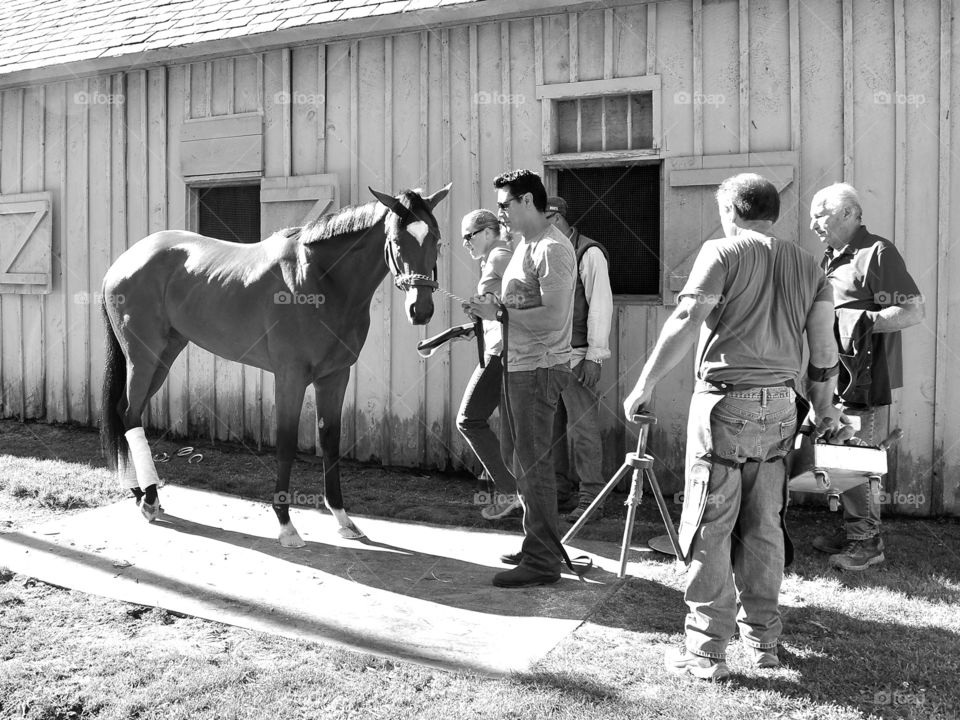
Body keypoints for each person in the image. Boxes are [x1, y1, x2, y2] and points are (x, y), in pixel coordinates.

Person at [623, 173, 841, 680]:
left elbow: (685, 319)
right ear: (775, 213)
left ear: (730, 211)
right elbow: (824, 348)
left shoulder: (721, 252)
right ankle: (764, 642)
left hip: (725, 406)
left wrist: (644, 385)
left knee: (711, 524)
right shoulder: (811, 266)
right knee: (765, 525)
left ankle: (705, 651)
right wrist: (824, 405)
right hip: (783, 408)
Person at [465, 169, 577, 589]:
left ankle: (543, 562)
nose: (501, 214)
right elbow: (517, 303)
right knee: (524, 463)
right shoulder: (526, 245)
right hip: (520, 367)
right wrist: (488, 307)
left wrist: (500, 314)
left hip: (538, 369)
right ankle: (537, 546)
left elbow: (553, 317)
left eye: (505, 205)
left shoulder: (552, 249)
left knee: (535, 465)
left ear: (527, 201)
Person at [809, 182, 924, 571]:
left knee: (858, 459)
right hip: (834, 378)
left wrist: (855, 323)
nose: (812, 224)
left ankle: (867, 542)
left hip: (865, 381)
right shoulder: (831, 257)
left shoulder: (877, 252)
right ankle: (853, 529)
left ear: (847, 213)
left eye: (818, 215)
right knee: (841, 459)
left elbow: (912, 312)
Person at [544, 196, 614, 521]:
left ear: (556, 218)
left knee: (584, 429)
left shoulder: (590, 252)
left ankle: (592, 499)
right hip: (549, 357)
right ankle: (558, 492)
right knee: (552, 429)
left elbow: (600, 306)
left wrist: (595, 357)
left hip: (578, 356)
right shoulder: (546, 251)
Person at [455, 209, 521, 520]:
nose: (465, 243)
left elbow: (522, 303)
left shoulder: (500, 257)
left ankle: (510, 491)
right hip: (502, 347)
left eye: (468, 236)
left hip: (503, 352)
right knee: (511, 427)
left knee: (469, 419)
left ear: (486, 232)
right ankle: (516, 494)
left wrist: (490, 313)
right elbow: (500, 308)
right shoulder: (496, 257)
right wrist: (476, 323)